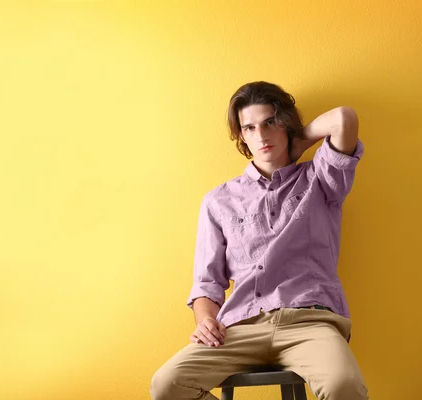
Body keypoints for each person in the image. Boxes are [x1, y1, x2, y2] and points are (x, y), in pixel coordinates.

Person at [150, 81, 369, 400]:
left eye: (270, 123)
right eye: (249, 127)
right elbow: (207, 283)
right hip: (241, 325)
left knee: (343, 386)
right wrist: (206, 320)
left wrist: (298, 143)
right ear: (241, 136)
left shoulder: (320, 179)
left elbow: (344, 119)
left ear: (287, 124)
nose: (261, 135)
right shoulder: (219, 200)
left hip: (309, 320)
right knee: (166, 384)